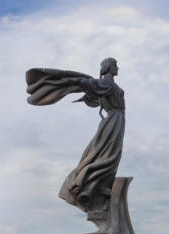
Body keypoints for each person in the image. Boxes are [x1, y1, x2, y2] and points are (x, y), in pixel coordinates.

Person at [26, 57, 125, 214]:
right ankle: (84, 185)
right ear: (108, 67)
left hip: (116, 121)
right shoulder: (106, 83)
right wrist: (68, 81)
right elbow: (87, 84)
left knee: (110, 156)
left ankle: (98, 188)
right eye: (115, 65)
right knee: (107, 156)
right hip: (113, 120)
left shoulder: (108, 84)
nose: (117, 68)